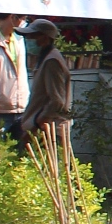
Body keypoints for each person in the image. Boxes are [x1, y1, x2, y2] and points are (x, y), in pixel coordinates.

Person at [14, 20, 72, 149]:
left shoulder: (52, 61)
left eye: (32, 36)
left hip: (49, 132)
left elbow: (57, 101)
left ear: (45, 37)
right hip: (42, 129)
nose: (28, 40)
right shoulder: (45, 57)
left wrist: (36, 126)